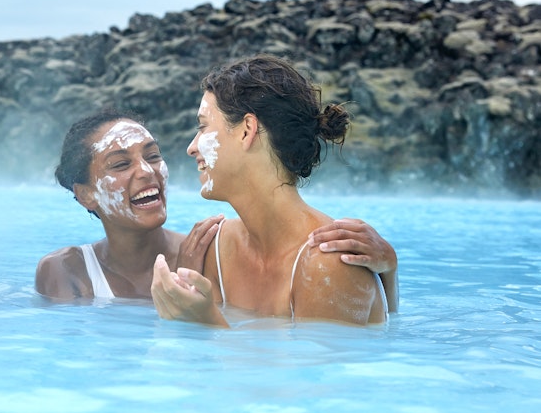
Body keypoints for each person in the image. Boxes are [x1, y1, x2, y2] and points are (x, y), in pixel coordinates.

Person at [36, 106, 398, 310]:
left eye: (153, 156)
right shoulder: (66, 272)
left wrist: (388, 274)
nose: (147, 172)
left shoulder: (212, 252)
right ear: (86, 194)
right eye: (120, 164)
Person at [151, 54, 392, 326]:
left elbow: (311, 368)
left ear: (247, 131)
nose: (191, 147)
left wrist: (206, 322)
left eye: (204, 127)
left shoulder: (327, 264)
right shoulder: (213, 249)